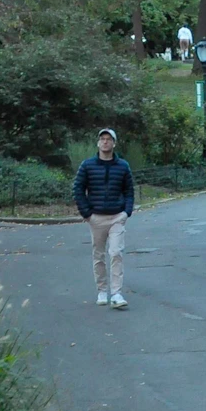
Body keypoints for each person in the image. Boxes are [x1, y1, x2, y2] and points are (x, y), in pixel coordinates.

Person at [73, 127, 135, 309]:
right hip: (96, 217)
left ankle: (116, 293)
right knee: (98, 255)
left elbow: (129, 191)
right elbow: (78, 189)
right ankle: (102, 290)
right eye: (103, 139)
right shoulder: (87, 165)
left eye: (109, 139)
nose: (105, 142)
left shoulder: (123, 166)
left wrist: (126, 212)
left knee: (116, 253)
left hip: (117, 216)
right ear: (98, 143)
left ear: (114, 143)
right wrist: (87, 213)